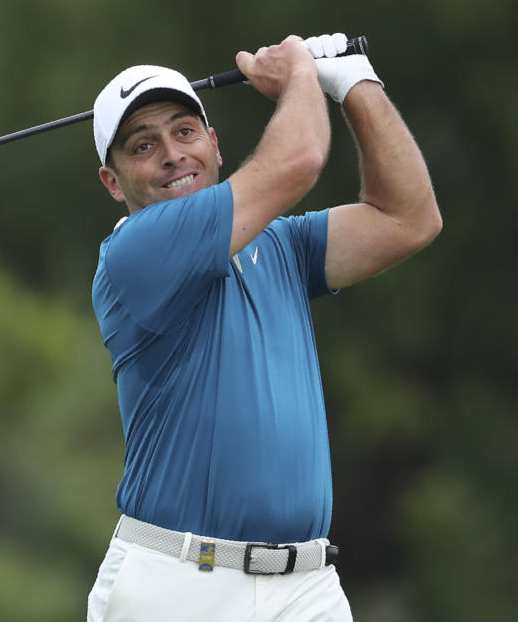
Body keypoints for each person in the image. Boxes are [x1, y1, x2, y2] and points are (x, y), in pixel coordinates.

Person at [86, 34, 442, 622]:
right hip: (180, 585)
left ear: (215, 144)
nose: (173, 154)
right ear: (114, 183)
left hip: (306, 585)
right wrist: (302, 71)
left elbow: (409, 218)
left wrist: (355, 84)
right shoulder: (137, 254)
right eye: (143, 146)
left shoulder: (280, 245)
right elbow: (298, 159)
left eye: (184, 131)